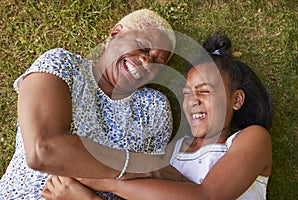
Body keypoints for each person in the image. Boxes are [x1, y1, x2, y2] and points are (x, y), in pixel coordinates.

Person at [41, 32, 273, 200]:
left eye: (204, 91)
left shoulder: (252, 139)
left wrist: (103, 181)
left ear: (236, 100)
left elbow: (206, 196)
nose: (193, 101)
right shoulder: (173, 151)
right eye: (186, 93)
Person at [0, 9, 180, 200]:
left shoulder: (154, 109)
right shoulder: (63, 65)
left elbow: (151, 190)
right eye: (143, 47)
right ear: (115, 33)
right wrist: (139, 169)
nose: (146, 61)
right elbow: (43, 150)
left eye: (157, 63)